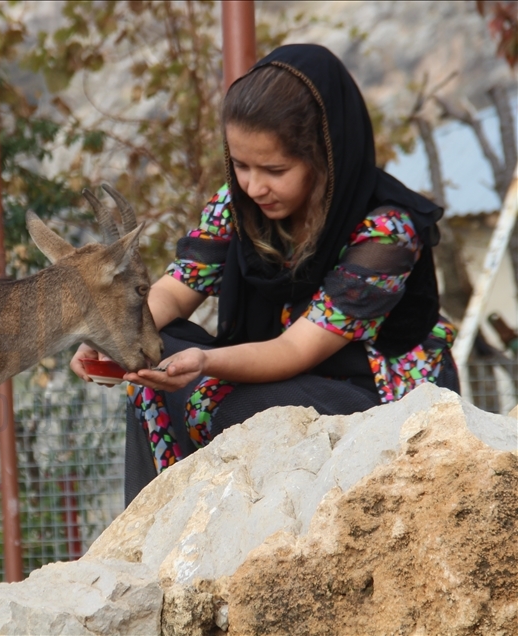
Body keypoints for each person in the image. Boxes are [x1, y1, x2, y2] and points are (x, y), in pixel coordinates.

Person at [69, 44, 460, 506]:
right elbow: (174, 292)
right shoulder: (239, 204)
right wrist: (110, 337)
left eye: (275, 169)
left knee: (225, 401)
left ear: (325, 156)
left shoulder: (387, 230)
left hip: (369, 398)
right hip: (274, 375)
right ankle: (157, 521)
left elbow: (297, 348)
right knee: (149, 345)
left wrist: (207, 361)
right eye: (240, 165)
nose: (253, 187)